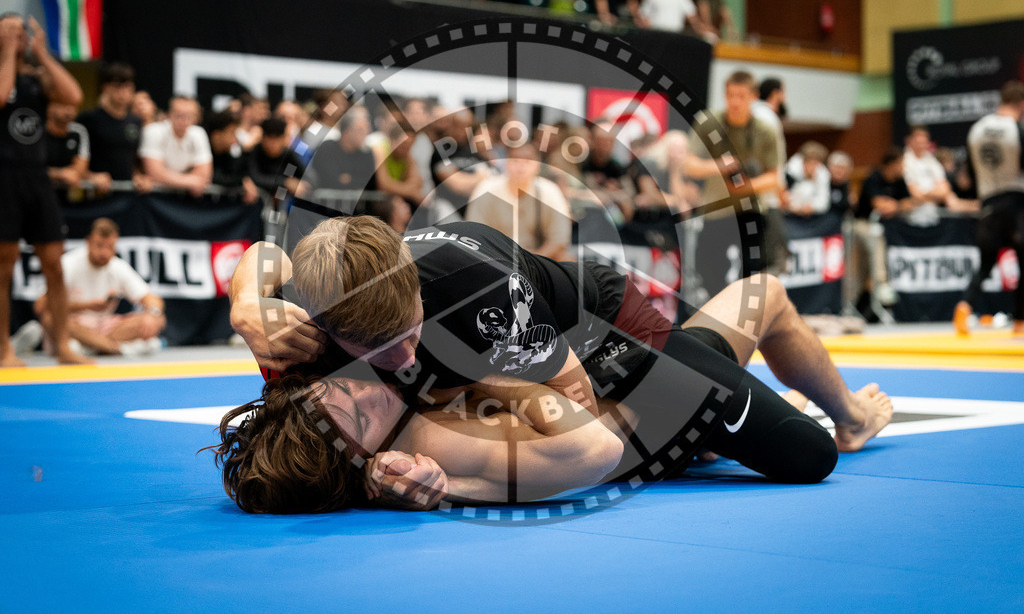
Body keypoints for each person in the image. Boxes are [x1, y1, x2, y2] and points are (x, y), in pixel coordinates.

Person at [221, 216, 893, 512]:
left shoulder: (474, 291)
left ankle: (851, 412)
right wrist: (248, 301)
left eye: (409, 336)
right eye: (377, 355)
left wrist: (457, 467)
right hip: (523, 363)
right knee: (696, 401)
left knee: (806, 454)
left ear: (419, 295)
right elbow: (270, 253)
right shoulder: (311, 339)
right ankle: (751, 310)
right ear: (332, 328)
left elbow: (578, 393)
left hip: (588, 326)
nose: (400, 362)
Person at [0, 13, 90, 367]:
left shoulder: (36, 78)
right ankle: (4, 349)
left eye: (21, 30)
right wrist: (8, 51)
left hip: (37, 177)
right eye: (11, 30)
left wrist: (42, 52)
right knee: (3, 266)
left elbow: (73, 95)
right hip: (4, 177)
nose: (18, 35)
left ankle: (63, 345)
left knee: (54, 263)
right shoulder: (5, 71)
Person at [687, 70, 787, 273]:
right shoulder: (708, 123)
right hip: (716, 209)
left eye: (741, 96)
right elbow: (688, 165)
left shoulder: (765, 130)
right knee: (709, 271)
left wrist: (744, 187)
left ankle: (746, 305)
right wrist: (719, 165)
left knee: (752, 271)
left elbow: (775, 179)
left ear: (754, 97)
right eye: (730, 95)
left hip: (750, 209)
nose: (735, 102)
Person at [953, 81, 1024, 336]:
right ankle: (1019, 321)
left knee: (985, 264)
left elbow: (970, 174)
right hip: (1016, 201)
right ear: (1021, 104)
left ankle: (964, 305)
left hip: (988, 202)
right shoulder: (1016, 127)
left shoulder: (977, 129)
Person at [34, 218, 165, 356]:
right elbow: (41, 306)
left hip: (105, 328)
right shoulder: (68, 263)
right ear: (88, 243)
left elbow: (153, 300)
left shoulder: (118, 266)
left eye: (110, 247)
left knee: (158, 319)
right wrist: (86, 306)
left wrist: (151, 314)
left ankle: (91, 347)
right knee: (50, 319)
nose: (105, 253)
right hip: (75, 325)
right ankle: (116, 349)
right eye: (100, 246)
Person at [465, 144, 572, 260]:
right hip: (494, 257)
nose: (521, 167)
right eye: (515, 161)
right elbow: (473, 233)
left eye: (527, 162)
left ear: (538, 166)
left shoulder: (549, 191)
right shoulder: (486, 189)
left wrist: (531, 262)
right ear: (506, 164)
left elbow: (560, 239)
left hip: (537, 258)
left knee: (568, 259)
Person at [848, 148, 916, 310]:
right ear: (892, 164)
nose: (903, 168)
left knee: (867, 268)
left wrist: (895, 205)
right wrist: (897, 205)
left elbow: (910, 203)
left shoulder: (900, 180)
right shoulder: (873, 177)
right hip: (862, 224)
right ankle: (882, 282)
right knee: (874, 244)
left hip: (886, 227)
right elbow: (878, 205)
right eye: (901, 164)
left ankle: (873, 294)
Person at [76, 62, 148, 191]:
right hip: (95, 193)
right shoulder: (89, 119)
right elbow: (74, 156)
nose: (122, 92)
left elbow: (134, 159)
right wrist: (90, 176)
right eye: (117, 86)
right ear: (106, 88)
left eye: (126, 86)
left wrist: (138, 176)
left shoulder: (135, 121)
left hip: (126, 195)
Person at [139, 95, 213, 197]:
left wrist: (168, 180)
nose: (184, 120)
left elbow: (204, 174)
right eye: (179, 115)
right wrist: (191, 182)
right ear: (168, 115)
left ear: (196, 117)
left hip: (186, 201)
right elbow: (154, 173)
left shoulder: (199, 133)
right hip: (155, 197)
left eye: (189, 115)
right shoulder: (153, 131)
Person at [44, 100, 112, 199]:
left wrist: (91, 177)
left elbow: (78, 170)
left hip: (66, 199)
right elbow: (31, 169)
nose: (69, 111)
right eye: (64, 105)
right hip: (37, 194)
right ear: (50, 107)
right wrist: (59, 174)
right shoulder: (37, 131)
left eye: (73, 107)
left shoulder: (78, 132)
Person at [205, 110, 259, 204]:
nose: (235, 139)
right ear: (216, 135)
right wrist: (242, 182)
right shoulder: (202, 154)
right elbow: (209, 177)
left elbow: (238, 173)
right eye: (231, 133)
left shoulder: (231, 156)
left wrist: (245, 180)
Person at [902, 125, 952, 226]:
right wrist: (935, 195)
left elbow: (945, 190)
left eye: (924, 139)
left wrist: (925, 195)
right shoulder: (904, 161)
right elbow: (915, 194)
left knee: (952, 201)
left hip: (935, 212)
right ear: (910, 140)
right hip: (912, 214)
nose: (921, 142)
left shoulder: (931, 160)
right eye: (918, 139)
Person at [784, 141, 832, 217]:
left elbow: (824, 201)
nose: (812, 166)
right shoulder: (789, 171)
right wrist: (794, 206)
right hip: (789, 214)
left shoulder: (823, 174)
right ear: (803, 160)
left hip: (812, 216)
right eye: (809, 161)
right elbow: (783, 194)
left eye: (816, 162)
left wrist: (812, 207)